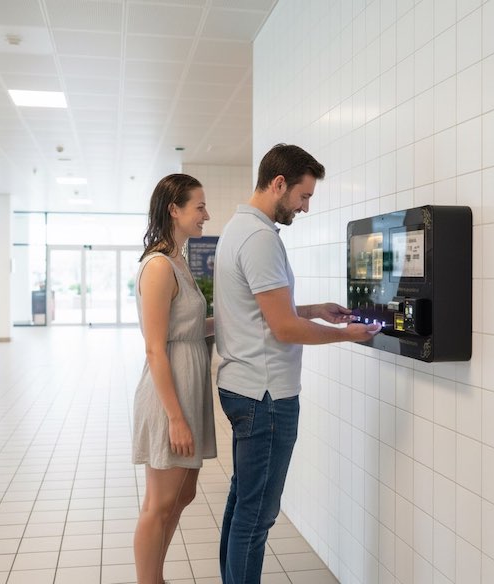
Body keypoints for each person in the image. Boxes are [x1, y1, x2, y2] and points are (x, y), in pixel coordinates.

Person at [214, 144, 381, 584]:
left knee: (241, 501)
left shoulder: (238, 229)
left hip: (243, 385)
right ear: (279, 183)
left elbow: (263, 312)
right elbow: (282, 329)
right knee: (258, 516)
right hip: (265, 395)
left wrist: (314, 310)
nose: (305, 208)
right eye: (303, 197)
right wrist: (346, 335)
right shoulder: (260, 238)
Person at [132, 173, 217, 584]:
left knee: (183, 493)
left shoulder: (179, 259)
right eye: (199, 206)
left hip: (189, 386)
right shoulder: (159, 266)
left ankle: (157, 576)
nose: (206, 214)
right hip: (170, 395)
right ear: (174, 209)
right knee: (159, 504)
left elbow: (189, 327)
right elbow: (155, 346)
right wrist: (175, 417)